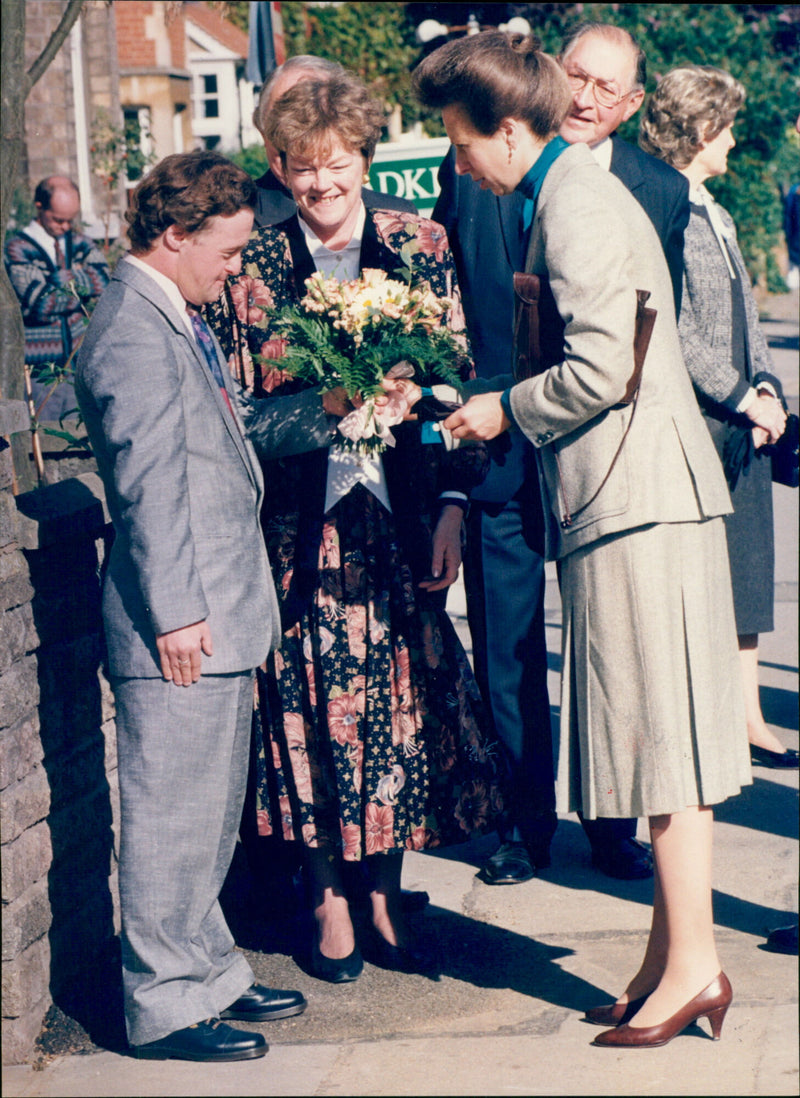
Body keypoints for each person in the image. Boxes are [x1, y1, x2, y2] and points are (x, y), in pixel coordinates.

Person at [413, 29, 751, 1048]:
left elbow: (604, 368)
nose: (460, 161)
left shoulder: (573, 207)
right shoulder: (563, 194)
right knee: (655, 738)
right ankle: (670, 962)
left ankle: (692, 970)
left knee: (665, 745)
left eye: (462, 140)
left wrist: (498, 410)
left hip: (640, 502)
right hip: (630, 497)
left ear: (511, 131)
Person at [208, 73, 501, 984]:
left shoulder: (420, 245)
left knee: (398, 709)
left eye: (336, 164)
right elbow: (239, 416)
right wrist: (327, 406)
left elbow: (458, 380)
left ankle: (384, 891)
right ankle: (326, 895)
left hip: (399, 525)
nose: (321, 184)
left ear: (366, 160)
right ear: (279, 167)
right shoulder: (253, 268)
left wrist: (452, 504)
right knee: (305, 712)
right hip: (299, 537)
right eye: (302, 167)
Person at [74, 150, 339, 1062]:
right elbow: (148, 484)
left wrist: (333, 402)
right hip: (180, 624)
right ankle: (163, 1003)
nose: (233, 271)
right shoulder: (132, 331)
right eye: (225, 254)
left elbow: (225, 440)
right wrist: (178, 612)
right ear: (174, 234)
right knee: (170, 819)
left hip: (214, 613)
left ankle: (208, 973)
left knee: (207, 815)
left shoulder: (169, 312)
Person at [431, 20, 691, 884]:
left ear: (632, 103)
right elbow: (453, 314)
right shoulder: (473, 171)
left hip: (596, 456)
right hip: (498, 453)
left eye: (605, 87)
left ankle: (613, 820)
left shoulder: (649, 190)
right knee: (506, 647)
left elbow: (647, 341)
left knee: (609, 646)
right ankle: (523, 819)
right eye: (573, 73)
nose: (583, 96)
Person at [640, 66, 796, 770]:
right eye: (725, 126)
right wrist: (741, 395)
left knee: (751, 574)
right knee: (705, 580)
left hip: (743, 423)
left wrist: (768, 389)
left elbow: (746, 319)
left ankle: (749, 717)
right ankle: (718, 721)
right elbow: (675, 324)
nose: (732, 139)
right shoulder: (666, 210)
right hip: (702, 424)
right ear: (698, 129)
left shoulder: (718, 212)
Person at [251, 54, 417, 228]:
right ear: (262, 130)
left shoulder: (401, 217)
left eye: (320, 117)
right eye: (284, 124)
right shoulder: (240, 219)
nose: (304, 136)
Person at [5, 176, 110, 420]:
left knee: (79, 431)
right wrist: (81, 282)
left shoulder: (80, 242)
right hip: (40, 369)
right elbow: (40, 303)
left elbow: (104, 280)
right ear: (39, 207)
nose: (65, 227)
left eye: (70, 220)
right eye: (58, 219)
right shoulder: (16, 248)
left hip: (79, 363)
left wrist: (56, 281)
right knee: (44, 433)